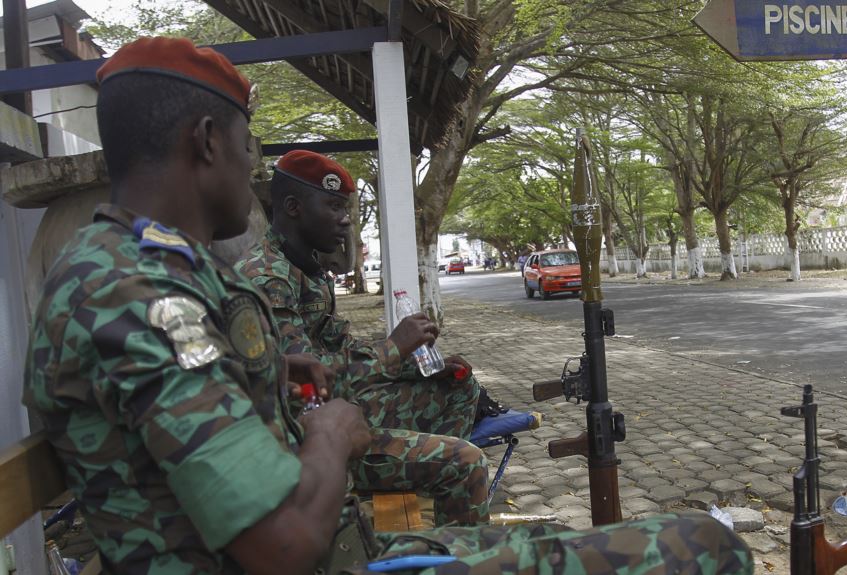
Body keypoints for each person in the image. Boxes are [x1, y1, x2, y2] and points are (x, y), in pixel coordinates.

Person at [23, 36, 753, 575]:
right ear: (207, 142)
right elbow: (281, 546)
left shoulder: (139, 268)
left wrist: (276, 371)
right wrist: (333, 434)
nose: (251, 172)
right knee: (706, 548)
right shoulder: (139, 292)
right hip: (323, 552)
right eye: (248, 149)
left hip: (347, 540)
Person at [236, 150, 488, 525]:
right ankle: (437, 483)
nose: (345, 220)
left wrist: (410, 366)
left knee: (460, 386)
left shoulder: (304, 267)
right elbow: (310, 384)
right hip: (310, 438)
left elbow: (343, 350)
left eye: (347, 209)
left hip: (342, 409)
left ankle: (423, 482)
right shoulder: (269, 278)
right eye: (334, 207)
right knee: (467, 462)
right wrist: (394, 346)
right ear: (293, 207)